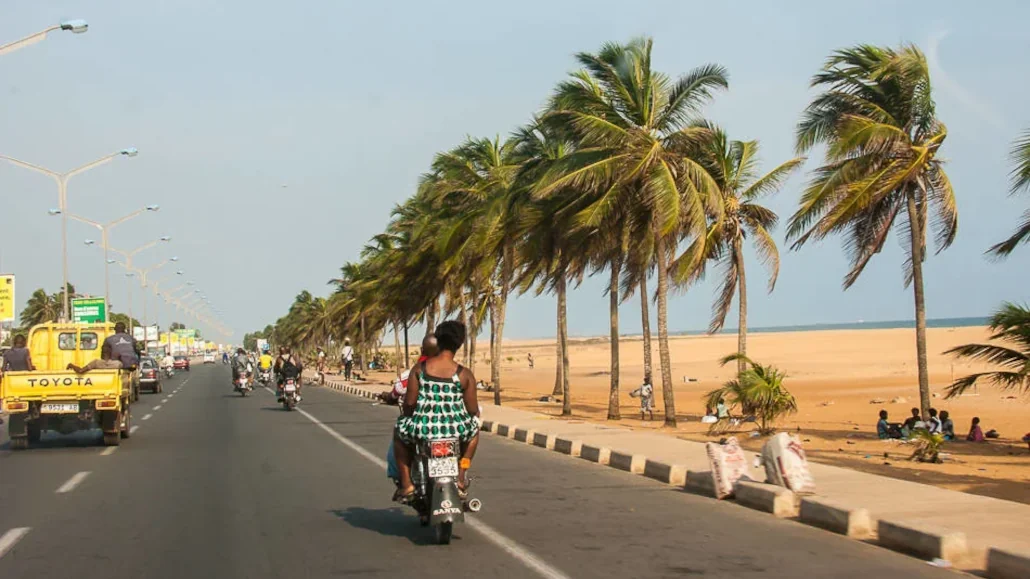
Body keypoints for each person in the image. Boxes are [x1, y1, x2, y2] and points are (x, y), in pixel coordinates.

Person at [393, 320, 481, 502]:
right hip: (456, 430)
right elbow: (472, 409)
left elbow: (409, 404)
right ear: (459, 343)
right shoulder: (464, 374)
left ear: (438, 340)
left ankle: (407, 483)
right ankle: (462, 473)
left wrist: (409, 416)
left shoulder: (420, 370)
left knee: (398, 432)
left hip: (424, 429)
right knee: (474, 433)